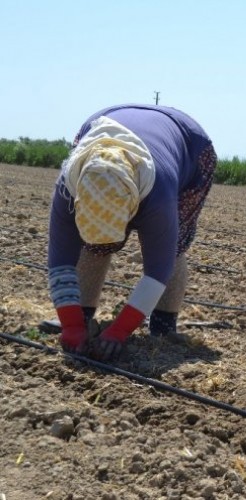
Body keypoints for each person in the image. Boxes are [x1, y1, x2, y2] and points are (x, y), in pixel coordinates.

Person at [47, 104, 216, 360]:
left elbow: (158, 271)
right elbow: (60, 262)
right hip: (104, 121)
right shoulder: (67, 189)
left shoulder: (158, 196)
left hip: (189, 144)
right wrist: (71, 324)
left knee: (173, 245)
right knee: (94, 244)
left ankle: (163, 325)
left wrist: (120, 331)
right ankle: (82, 316)